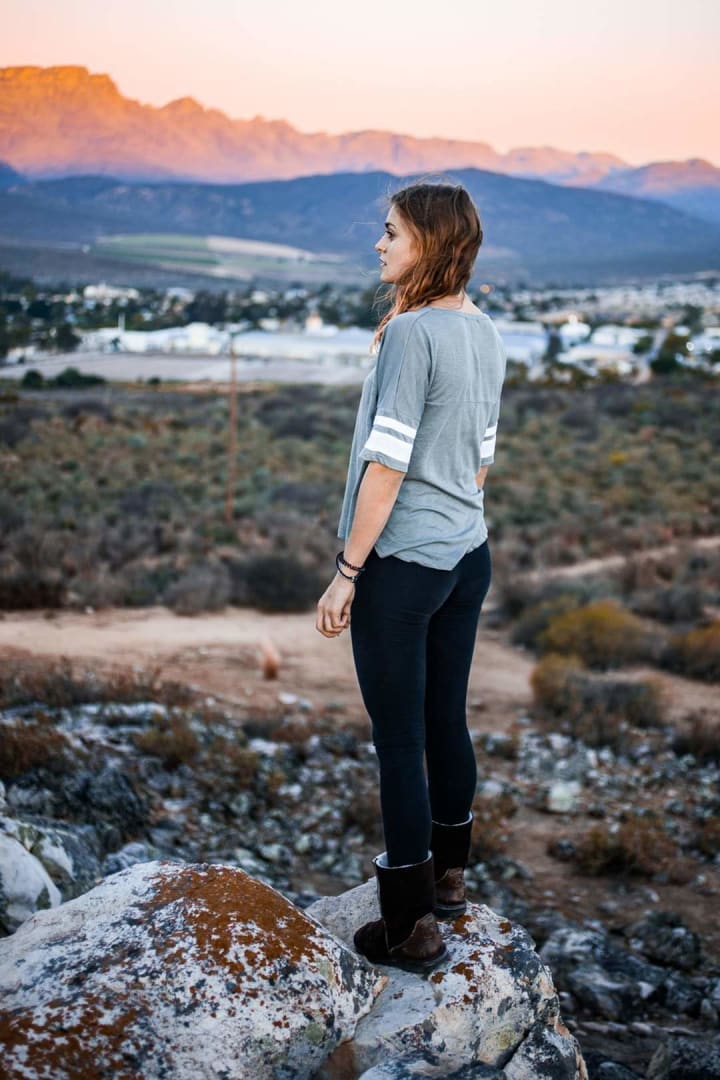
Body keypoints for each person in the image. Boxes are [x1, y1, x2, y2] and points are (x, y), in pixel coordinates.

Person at [315, 180, 507, 974]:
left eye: (391, 232)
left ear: (428, 241)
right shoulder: (485, 330)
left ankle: (410, 928)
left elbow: (387, 465)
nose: (379, 244)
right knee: (444, 721)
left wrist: (347, 572)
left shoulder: (411, 334)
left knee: (398, 742)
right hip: (467, 556)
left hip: (403, 567)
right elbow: (482, 461)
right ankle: (450, 880)